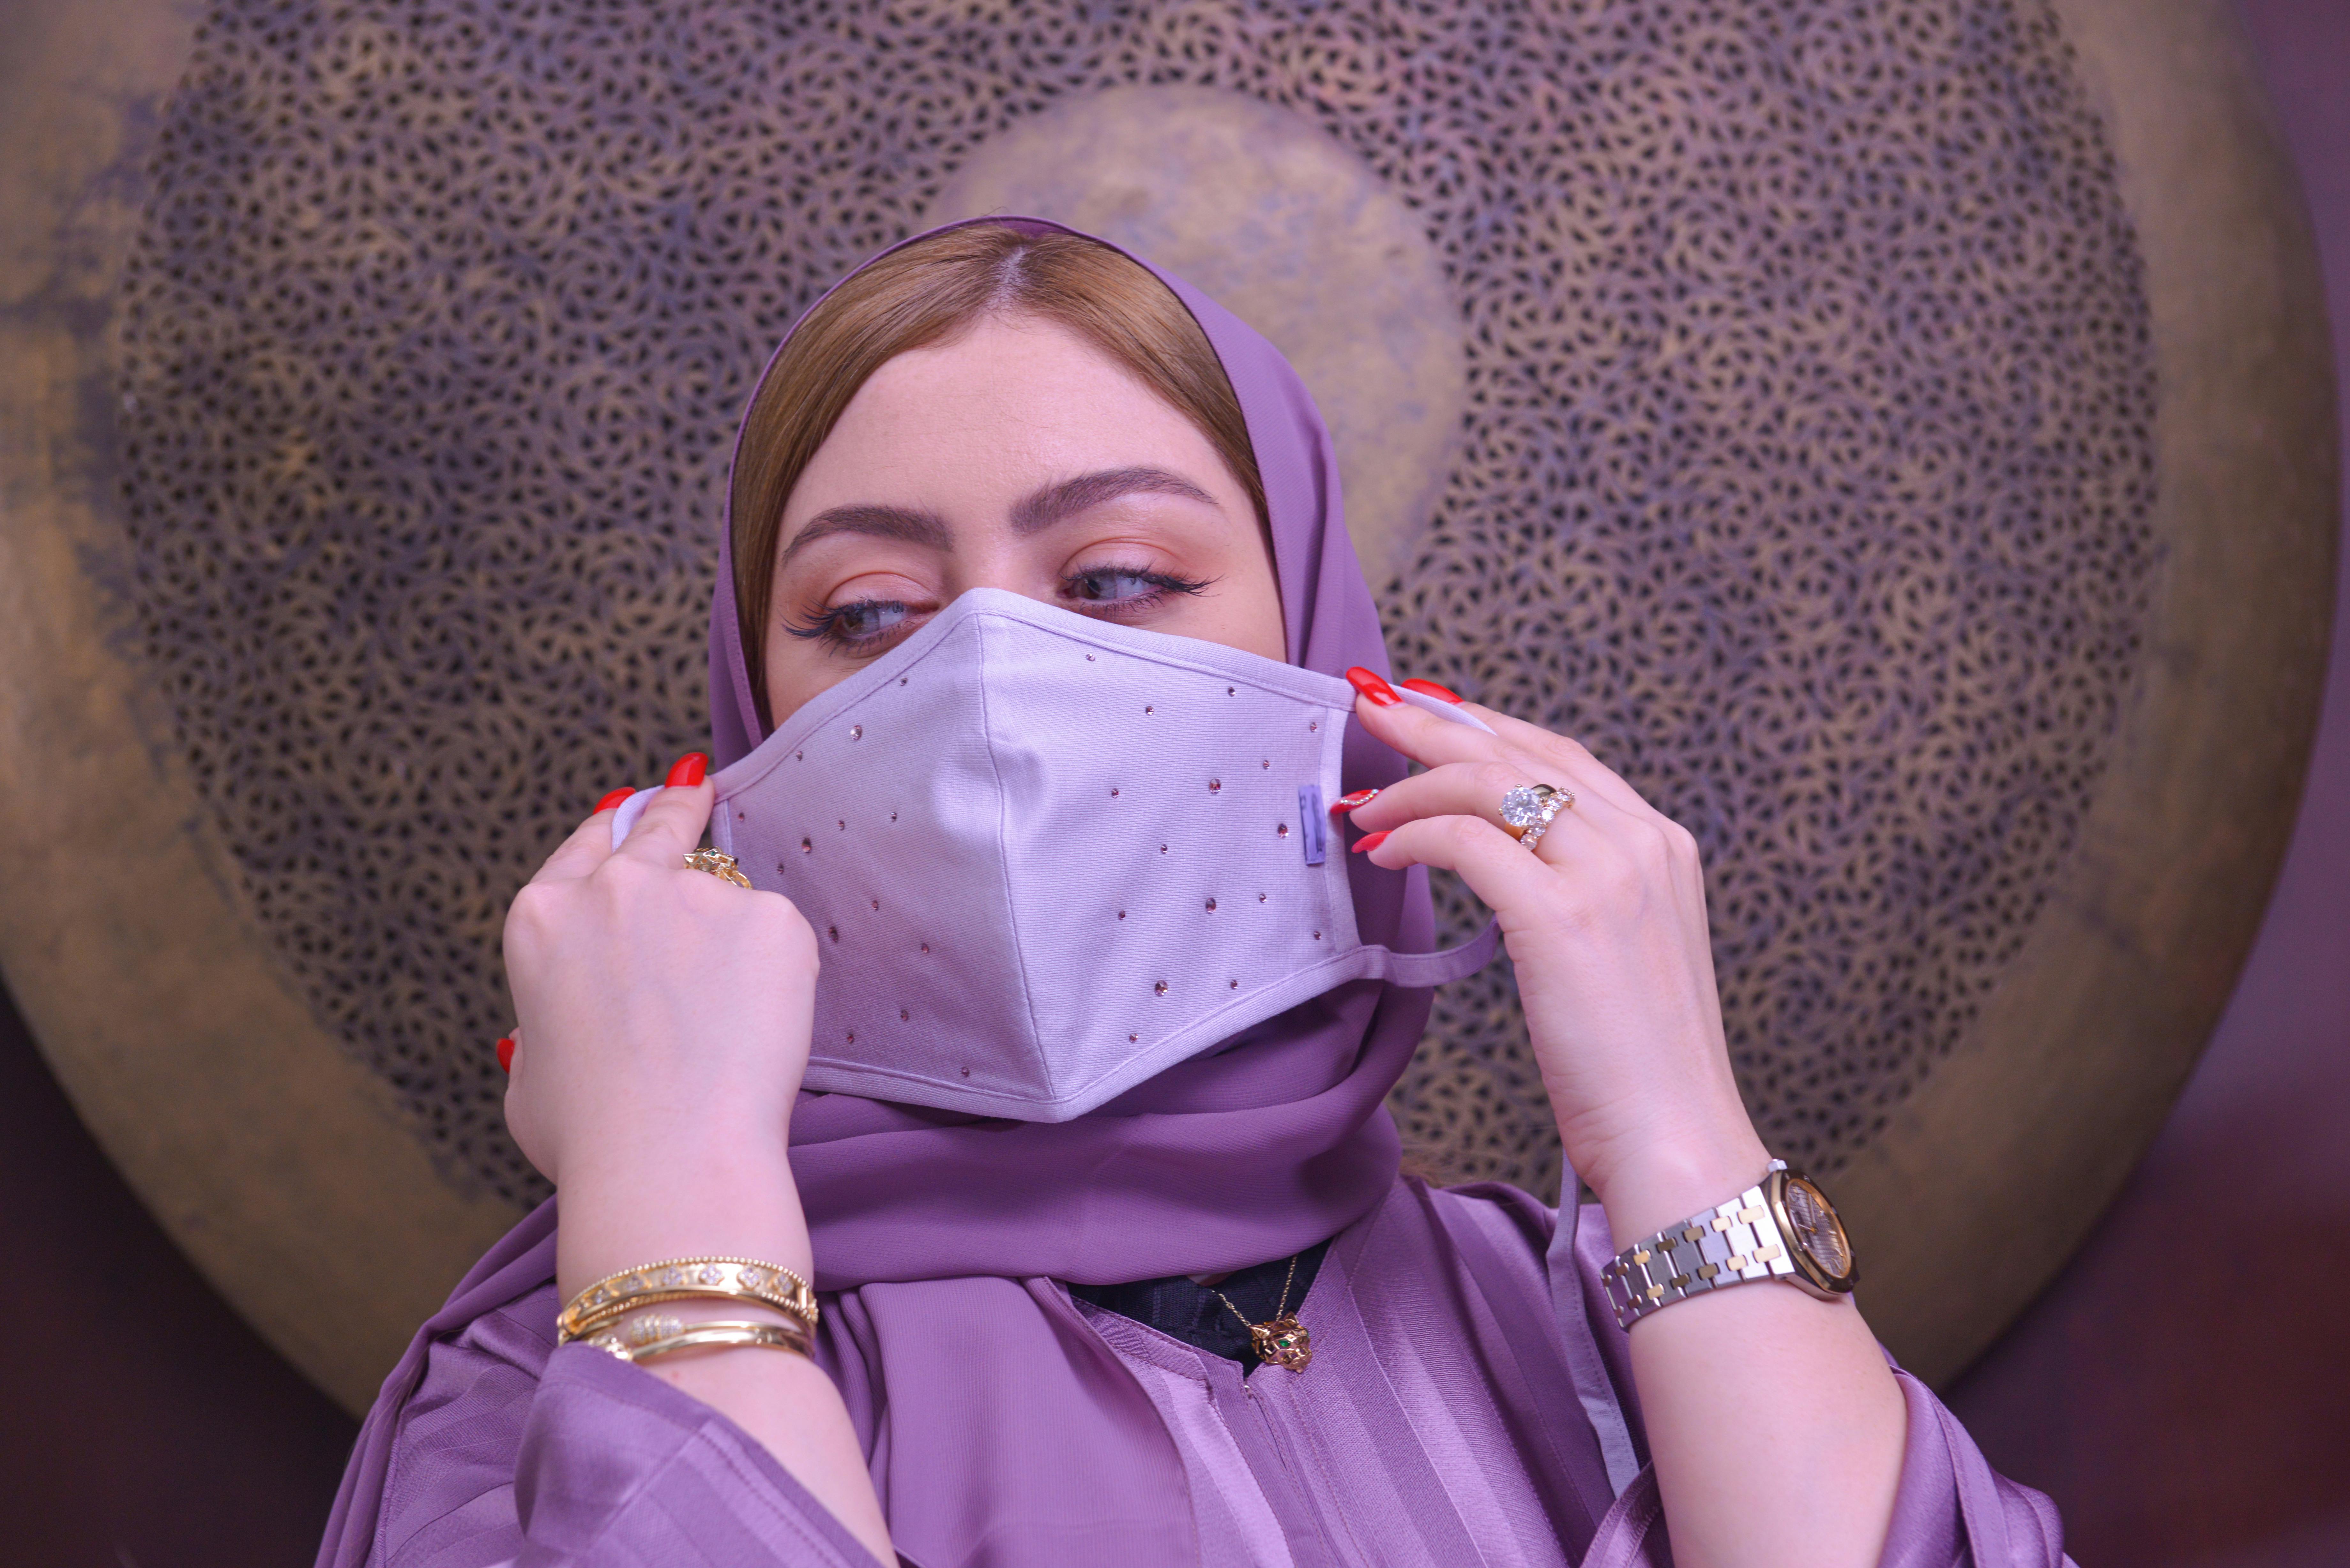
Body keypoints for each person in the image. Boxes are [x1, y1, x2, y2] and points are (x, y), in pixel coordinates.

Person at [317, 218, 2067, 1568]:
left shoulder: (1577, 1321)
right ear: (751, 709)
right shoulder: (545, 1383)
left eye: (1120, 579)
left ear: (1320, 653)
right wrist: (675, 1210)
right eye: (867, 615)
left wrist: (1680, 1133)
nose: (993, 688)